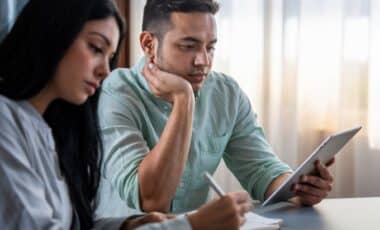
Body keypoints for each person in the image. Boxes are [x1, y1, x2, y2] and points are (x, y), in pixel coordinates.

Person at [0, 0, 252, 229]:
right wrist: (192, 226)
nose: (105, 71)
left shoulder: (49, 130)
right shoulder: (4, 123)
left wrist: (128, 225)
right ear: (53, 34)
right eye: (96, 48)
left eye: (110, 57)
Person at [95, 0, 336, 217]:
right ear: (148, 44)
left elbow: (262, 170)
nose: (203, 61)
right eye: (188, 46)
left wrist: (298, 188)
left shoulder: (226, 93)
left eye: (210, 47)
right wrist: (184, 100)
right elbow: (151, 199)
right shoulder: (117, 91)